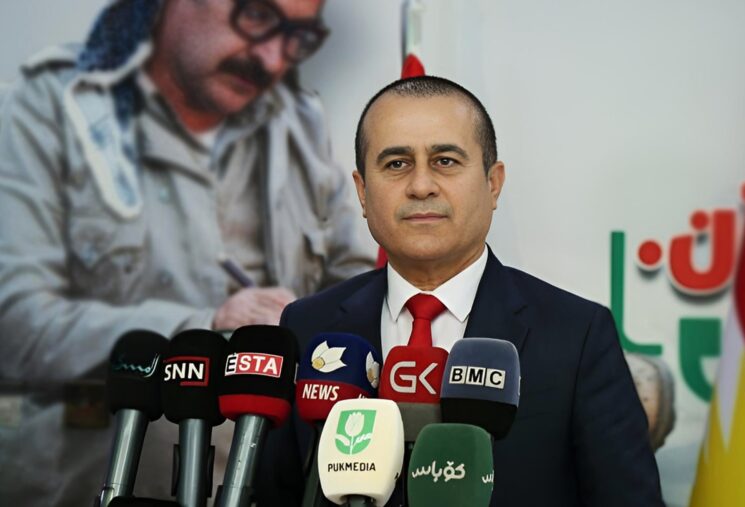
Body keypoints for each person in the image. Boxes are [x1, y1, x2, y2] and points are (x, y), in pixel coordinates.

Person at [0, 0, 374, 504]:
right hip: (92, 482)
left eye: (298, 36)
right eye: (257, 17)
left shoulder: (302, 123)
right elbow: (15, 322)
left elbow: (356, 292)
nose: (272, 59)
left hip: (267, 483)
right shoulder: (49, 106)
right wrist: (205, 326)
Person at [274, 76, 664, 505]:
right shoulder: (308, 326)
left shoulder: (576, 336)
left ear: (493, 183)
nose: (421, 186)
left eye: (445, 161)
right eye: (397, 164)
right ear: (363, 192)